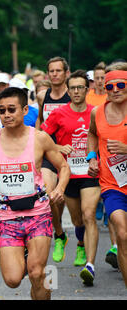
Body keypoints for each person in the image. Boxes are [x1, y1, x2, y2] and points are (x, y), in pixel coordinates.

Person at [0, 87, 70, 300]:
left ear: (25, 110)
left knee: (37, 272)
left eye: (12, 109)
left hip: (38, 213)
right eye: (2, 111)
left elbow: (63, 167)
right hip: (8, 216)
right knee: (12, 280)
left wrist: (59, 189)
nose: (6, 115)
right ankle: (34, 263)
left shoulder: (40, 138)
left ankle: (42, 274)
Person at [41, 70, 100, 285]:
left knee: (89, 214)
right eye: (72, 87)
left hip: (90, 172)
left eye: (80, 87)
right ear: (68, 89)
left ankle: (90, 266)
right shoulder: (59, 114)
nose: (76, 91)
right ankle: (80, 244)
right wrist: (58, 146)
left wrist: (96, 159)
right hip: (68, 172)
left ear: (87, 89)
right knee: (77, 219)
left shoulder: (96, 112)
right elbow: (42, 138)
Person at [87, 65, 127, 287]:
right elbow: (92, 133)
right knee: (121, 232)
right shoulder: (97, 112)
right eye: (110, 86)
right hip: (113, 184)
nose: (115, 90)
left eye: (121, 85)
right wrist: (92, 157)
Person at [36, 57, 71, 263]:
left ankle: (82, 243)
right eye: (52, 71)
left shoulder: (73, 95)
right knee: (49, 195)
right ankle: (59, 234)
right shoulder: (43, 96)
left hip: (72, 153)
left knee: (75, 209)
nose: (55, 74)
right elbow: (41, 121)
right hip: (50, 153)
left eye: (59, 71)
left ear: (66, 73)